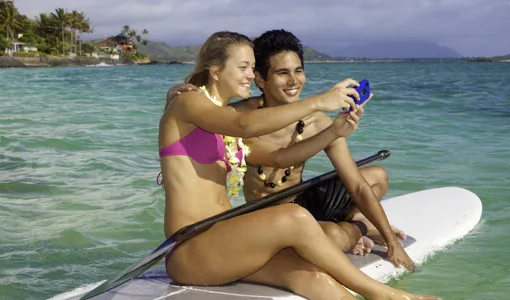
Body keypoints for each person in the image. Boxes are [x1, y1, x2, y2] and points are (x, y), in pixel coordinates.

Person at [160, 31, 440, 300]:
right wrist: (320, 100)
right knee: (293, 216)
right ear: (215, 70)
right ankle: (375, 291)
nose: (251, 75)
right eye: (243, 67)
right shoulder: (188, 102)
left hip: (223, 242)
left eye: (252, 67)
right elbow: (244, 125)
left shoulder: (220, 118)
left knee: (313, 277)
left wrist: (333, 130)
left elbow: (279, 156)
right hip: (190, 248)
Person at [170, 29, 415, 269]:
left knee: (377, 177)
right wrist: (174, 94)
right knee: (332, 237)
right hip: (272, 214)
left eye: (298, 71)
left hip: (304, 199)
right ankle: (360, 227)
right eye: (282, 73)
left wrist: (393, 243)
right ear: (260, 79)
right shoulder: (238, 116)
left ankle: (357, 224)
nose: (293, 81)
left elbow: (357, 185)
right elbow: (195, 115)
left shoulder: (318, 121)